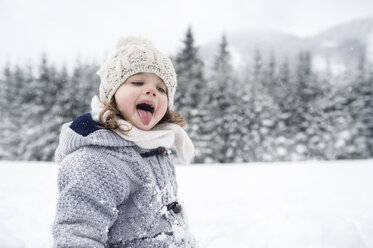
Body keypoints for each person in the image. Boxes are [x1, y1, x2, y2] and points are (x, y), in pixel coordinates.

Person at [52, 37, 197, 247]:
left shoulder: (155, 147)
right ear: (112, 95)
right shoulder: (94, 161)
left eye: (162, 89)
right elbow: (78, 235)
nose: (151, 90)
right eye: (137, 82)